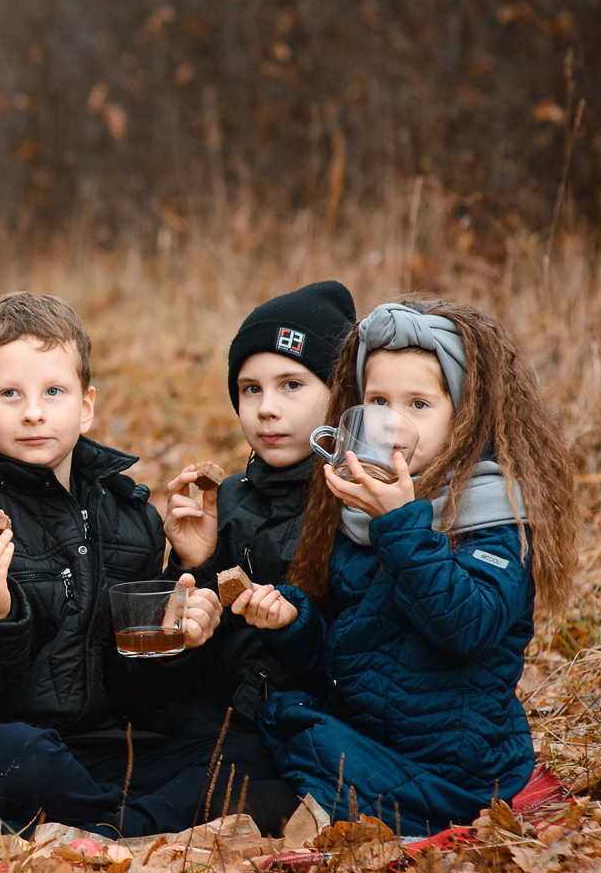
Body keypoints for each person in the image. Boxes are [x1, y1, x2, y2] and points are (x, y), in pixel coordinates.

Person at [0, 293, 288, 839]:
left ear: (87, 404)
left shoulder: (128, 518)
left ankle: (109, 829)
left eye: (54, 391)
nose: (33, 411)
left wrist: (178, 636)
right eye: (10, 394)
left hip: (97, 744)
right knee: (33, 761)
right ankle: (130, 826)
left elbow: (135, 694)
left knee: (253, 756)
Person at [230, 298, 578, 837]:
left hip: (460, 768)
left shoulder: (495, 514)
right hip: (381, 739)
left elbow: (467, 627)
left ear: (464, 414)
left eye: (418, 404)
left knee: (293, 733)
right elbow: (358, 659)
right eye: (378, 402)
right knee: (282, 720)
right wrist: (295, 624)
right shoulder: (364, 515)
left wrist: (401, 527)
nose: (393, 424)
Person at [153, 280, 358, 736]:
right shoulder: (225, 498)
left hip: (316, 731)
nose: (266, 409)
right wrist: (195, 563)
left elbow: (363, 662)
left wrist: (292, 626)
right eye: (250, 389)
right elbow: (188, 666)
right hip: (224, 716)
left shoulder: (357, 504)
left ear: (339, 394)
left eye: (291, 385)